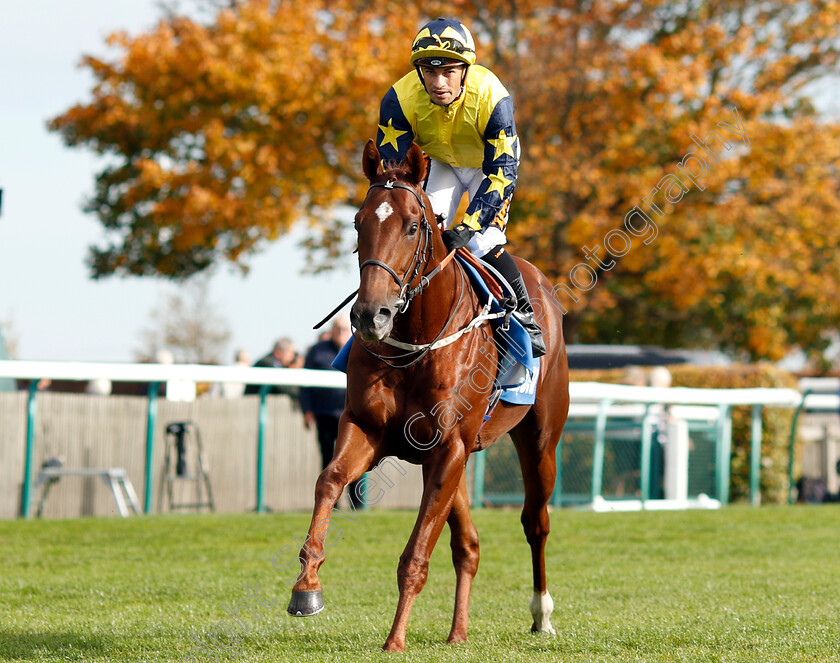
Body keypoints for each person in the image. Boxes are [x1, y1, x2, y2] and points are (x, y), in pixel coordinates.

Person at [375, 17, 545, 357]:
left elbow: (502, 171)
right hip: (444, 164)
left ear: (466, 70)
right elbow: (395, 176)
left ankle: (525, 317)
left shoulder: (493, 96)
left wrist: (468, 226)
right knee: (417, 233)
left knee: (483, 241)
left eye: (449, 72)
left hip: (490, 167)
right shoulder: (398, 98)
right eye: (429, 72)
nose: (438, 83)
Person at [299, 316, 362, 507]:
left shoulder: (359, 346)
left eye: (344, 329)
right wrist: (307, 410)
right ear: (331, 330)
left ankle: (357, 504)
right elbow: (305, 383)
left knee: (354, 459)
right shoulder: (317, 351)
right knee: (328, 460)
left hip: (353, 416)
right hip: (325, 414)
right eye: (337, 328)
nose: (340, 332)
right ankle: (330, 504)